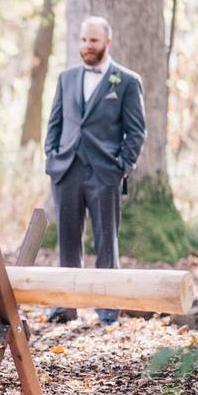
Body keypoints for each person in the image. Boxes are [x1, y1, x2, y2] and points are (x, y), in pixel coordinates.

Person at [43, 16, 146, 325]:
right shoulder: (67, 78)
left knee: (106, 241)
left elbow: (137, 131)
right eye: (84, 40)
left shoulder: (126, 81)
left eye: (94, 41)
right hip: (67, 170)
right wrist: (52, 159)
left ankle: (107, 307)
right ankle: (66, 305)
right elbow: (55, 124)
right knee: (68, 240)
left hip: (105, 172)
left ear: (107, 43)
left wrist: (123, 167)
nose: (87, 46)